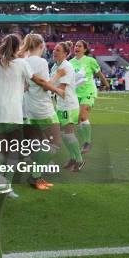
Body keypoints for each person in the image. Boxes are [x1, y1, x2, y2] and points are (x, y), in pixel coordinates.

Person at [0, 34, 64, 199]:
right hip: (12, 111)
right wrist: (57, 89)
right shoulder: (21, 63)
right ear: (17, 48)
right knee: (13, 152)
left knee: (1, 150)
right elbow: (37, 80)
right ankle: (6, 187)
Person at [19, 34, 62, 190]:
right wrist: (57, 81)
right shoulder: (41, 62)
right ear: (41, 46)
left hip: (26, 108)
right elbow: (44, 85)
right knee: (55, 142)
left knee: (37, 143)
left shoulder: (22, 61)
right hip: (42, 108)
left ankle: (36, 176)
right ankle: (35, 176)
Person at [70, 40, 110, 154]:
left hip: (88, 91)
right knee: (77, 120)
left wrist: (106, 84)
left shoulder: (90, 61)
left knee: (83, 116)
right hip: (75, 93)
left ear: (85, 49)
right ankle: (84, 140)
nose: (76, 47)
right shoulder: (70, 63)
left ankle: (87, 142)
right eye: (76, 46)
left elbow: (99, 73)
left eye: (79, 46)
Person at [51, 41, 85, 172]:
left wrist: (45, 88)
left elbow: (61, 88)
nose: (54, 51)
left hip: (69, 105)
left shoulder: (67, 67)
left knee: (69, 134)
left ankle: (80, 160)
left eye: (58, 50)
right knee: (65, 135)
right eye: (54, 49)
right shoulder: (55, 66)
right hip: (61, 105)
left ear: (65, 54)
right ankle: (73, 157)